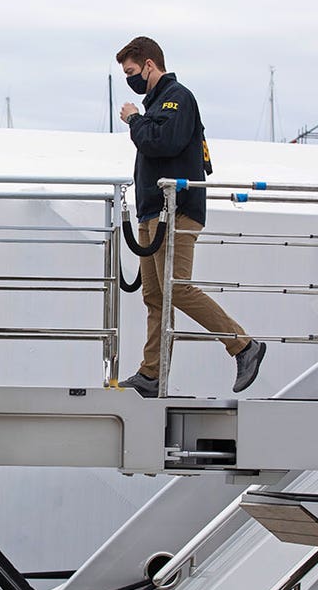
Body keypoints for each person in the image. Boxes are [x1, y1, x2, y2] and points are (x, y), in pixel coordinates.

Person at [113, 36, 266, 397]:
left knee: (176, 289)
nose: (130, 80)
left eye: (132, 72)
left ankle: (243, 345)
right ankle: (152, 373)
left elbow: (161, 143)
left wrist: (134, 120)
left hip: (177, 211)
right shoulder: (157, 105)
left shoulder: (177, 98)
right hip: (152, 212)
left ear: (150, 65)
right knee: (155, 296)